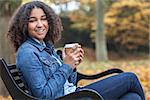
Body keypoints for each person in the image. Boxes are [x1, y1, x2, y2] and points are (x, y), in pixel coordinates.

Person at [7, 1, 145, 100]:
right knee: (130, 78)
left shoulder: (46, 47)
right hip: (71, 97)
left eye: (43, 19)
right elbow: (43, 95)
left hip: (73, 94)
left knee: (132, 97)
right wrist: (67, 65)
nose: (40, 24)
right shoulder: (27, 53)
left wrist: (72, 64)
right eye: (33, 20)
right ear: (24, 25)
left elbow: (68, 83)